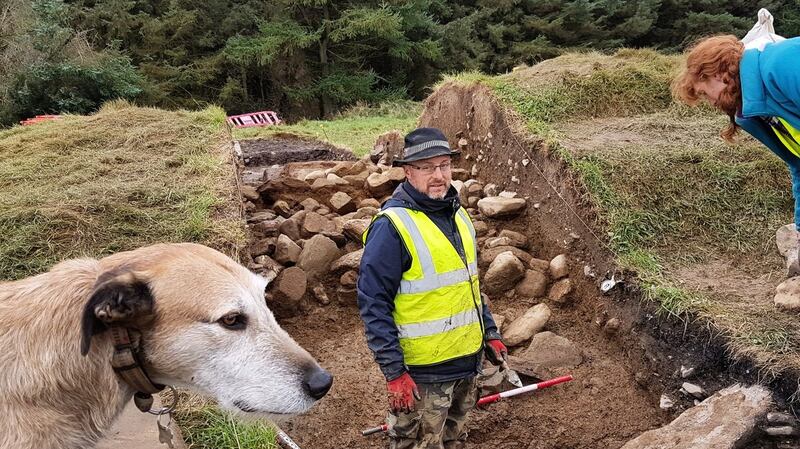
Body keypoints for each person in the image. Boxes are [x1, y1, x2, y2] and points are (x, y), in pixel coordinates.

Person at [357, 127, 507, 449]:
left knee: (455, 438)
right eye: (426, 167)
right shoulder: (392, 227)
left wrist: (489, 332)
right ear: (408, 171)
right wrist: (394, 372)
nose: (438, 175)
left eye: (444, 165)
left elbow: (469, 284)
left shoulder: (459, 215)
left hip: (468, 362)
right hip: (424, 375)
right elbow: (374, 304)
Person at [673, 35, 800, 274]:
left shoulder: (782, 64)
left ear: (717, 73)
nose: (710, 102)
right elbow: (798, 166)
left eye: (704, 93)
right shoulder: (751, 115)